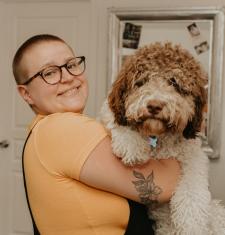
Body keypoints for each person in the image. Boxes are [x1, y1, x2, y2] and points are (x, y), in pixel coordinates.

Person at [13, 34, 181, 235]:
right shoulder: (61, 128)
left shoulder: (41, 131)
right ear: (26, 93)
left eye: (71, 65)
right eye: (49, 73)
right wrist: (180, 139)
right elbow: (164, 186)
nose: (67, 77)